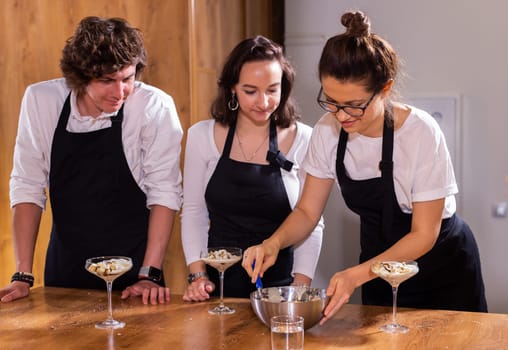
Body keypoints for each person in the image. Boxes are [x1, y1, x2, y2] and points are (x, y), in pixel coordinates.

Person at [242, 11, 487, 322]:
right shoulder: (326, 132)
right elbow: (306, 212)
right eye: (331, 101)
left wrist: (357, 275)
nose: (341, 115)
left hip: (442, 266)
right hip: (376, 267)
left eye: (354, 105)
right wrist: (272, 243)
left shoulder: (420, 133)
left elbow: (424, 233)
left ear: (384, 89)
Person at [0, 17, 183, 305]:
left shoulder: (154, 107)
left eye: (128, 78)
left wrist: (150, 273)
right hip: (64, 274)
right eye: (107, 81)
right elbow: (27, 185)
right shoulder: (41, 100)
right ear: (80, 76)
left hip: (135, 278)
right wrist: (22, 275)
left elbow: (164, 192)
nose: (120, 92)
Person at [181, 36, 323, 301]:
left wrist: (299, 286)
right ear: (232, 88)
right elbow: (193, 212)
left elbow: (311, 222)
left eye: (272, 90)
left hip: (281, 288)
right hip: (217, 285)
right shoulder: (201, 136)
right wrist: (198, 276)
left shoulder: (305, 139)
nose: (263, 102)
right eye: (250, 91)